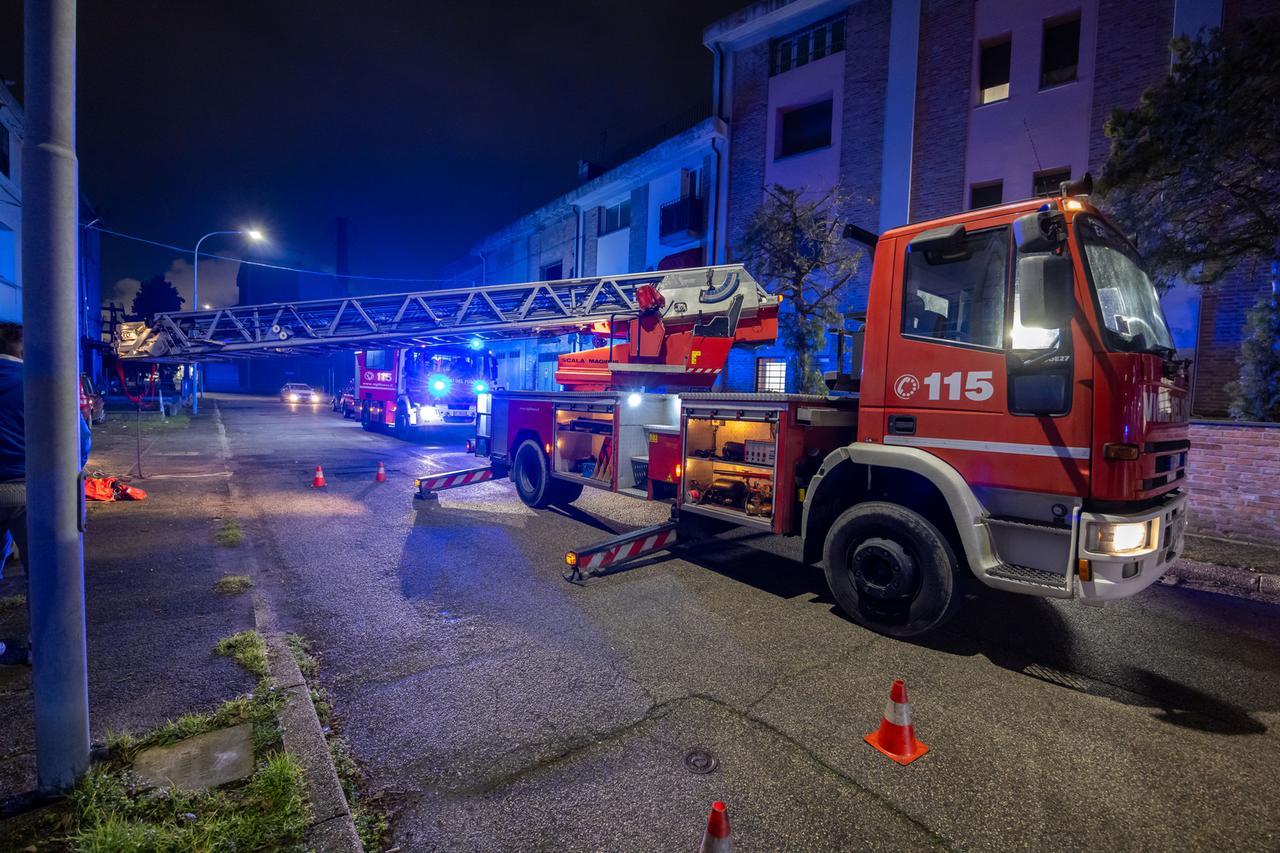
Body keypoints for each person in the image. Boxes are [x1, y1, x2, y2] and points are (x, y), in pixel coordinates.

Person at [0, 323, 91, 665]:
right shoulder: (39, 384)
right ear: (24, 350)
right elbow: (79, 440)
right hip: (30, 492)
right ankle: (43, 648)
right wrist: (67, 477)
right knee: (41, 575)